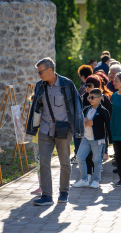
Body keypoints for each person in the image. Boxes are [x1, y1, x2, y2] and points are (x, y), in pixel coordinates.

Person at [26, 57, 84, 206]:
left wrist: (78, 130)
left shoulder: (67, 84)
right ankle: (46, 196)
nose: (39, 75)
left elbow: (77, 107)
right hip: (45, 130)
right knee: (44, 163)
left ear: (50, 70)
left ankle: (64, 192)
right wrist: (33, 126)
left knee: (64, 162)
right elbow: (36, 107)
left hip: (63, 130)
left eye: (40, 72)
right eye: (38, 72)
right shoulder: (39, 85)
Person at [73, 88, 113, 189]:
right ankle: (84, 179)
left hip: (98, 139)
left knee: (97, 160)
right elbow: (80, 122)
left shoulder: (103, 111)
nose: (90, 99)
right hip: (86, 138)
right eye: (89, 97)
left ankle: (96, 180)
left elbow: (108, 126)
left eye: (92, 97)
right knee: (80, 157)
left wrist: (110, 140)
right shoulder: (86, 109)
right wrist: (87, 123)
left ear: (99, 98)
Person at [82, 75, 112, 180]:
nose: (87, 88)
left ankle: (96, 177)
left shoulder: (104, 99)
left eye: (90, 85)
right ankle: (87, 176)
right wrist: (86, 122)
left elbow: (108, 118)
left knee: (96, 158)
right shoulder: (85, 98)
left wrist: (109, 138)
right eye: (86, 85)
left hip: (98, 135)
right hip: (86, 134)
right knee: (83, 157)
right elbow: (81, 115)